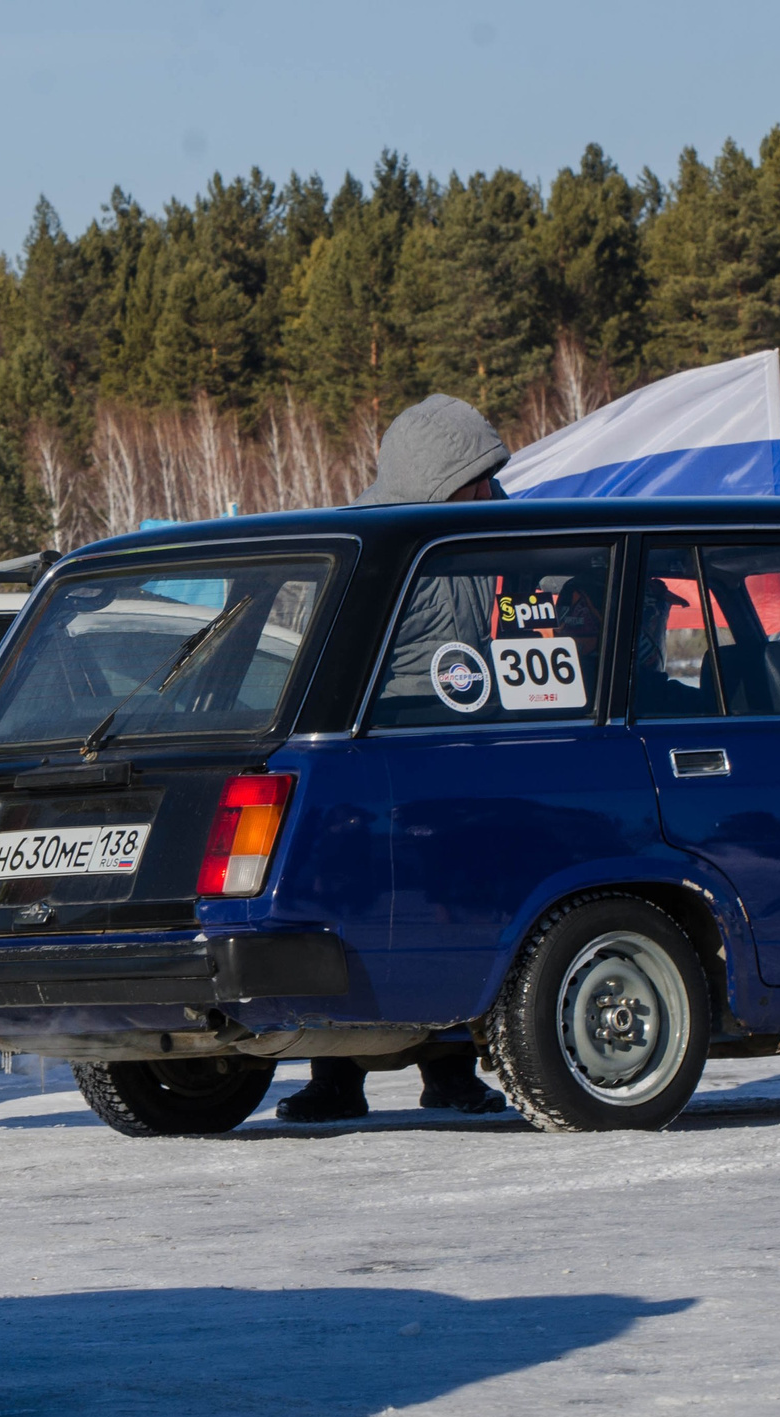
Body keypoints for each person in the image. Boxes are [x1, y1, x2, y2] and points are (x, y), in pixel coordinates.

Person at [278, 393, 511, 1124]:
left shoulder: (492, 529)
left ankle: (451, 1070)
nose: (489, 491)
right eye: (475, 479)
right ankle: (335, 1075)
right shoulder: (370, 543)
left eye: (491, 477)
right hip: (372, 754)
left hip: (460, 752)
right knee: (351, 911)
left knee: (451, 910)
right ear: (439, 478)